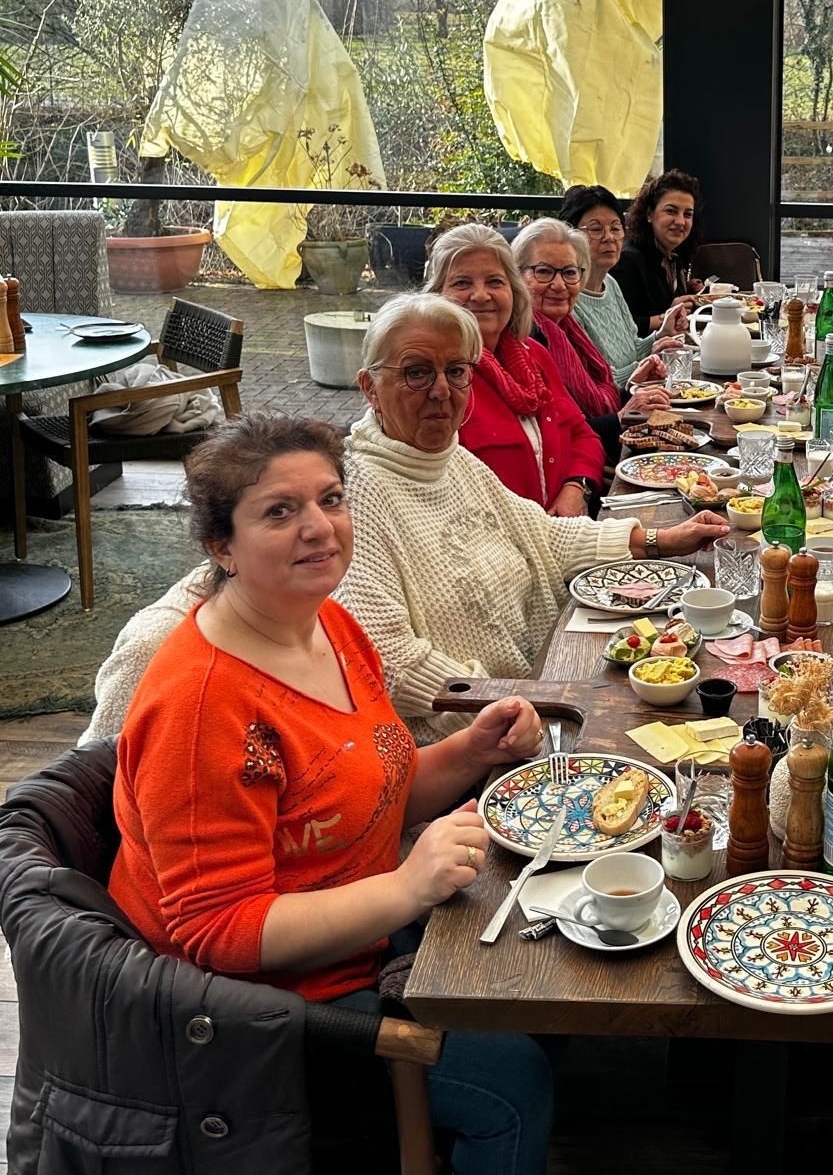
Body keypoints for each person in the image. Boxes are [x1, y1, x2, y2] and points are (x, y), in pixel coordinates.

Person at [108, 415, 557, 1175]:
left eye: (331, 499)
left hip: (358, 935)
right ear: (221, 546)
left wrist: (472, 750)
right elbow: (218, 932)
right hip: (254, 1014)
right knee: (513, 1083)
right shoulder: (204, 707)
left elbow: (369, 797)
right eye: (280, 511)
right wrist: (407, 887)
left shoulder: (331, 626)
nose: (320, 528)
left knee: (542, 972)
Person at [337, 294, 728, 738]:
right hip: (477, 739)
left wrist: (661, 540)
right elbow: (385, 659)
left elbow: (544, 536)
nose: (441, 390)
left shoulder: (452, 461)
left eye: (457, 371)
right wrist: (512, 715)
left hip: (542, 687)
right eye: (417, 372)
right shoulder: (354, 497)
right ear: (370, 387)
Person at [425, 222, 604, 515]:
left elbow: (583, 435)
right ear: (435, 296)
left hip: (565, 530)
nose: (481, 295)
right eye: (462, 283)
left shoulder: (534, 355)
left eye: (495, 282)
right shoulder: (435, 382)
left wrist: (577, 487)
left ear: (514, 291)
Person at [514, 217, 668, 425]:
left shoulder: (569, 329)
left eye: (569, 272)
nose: (559, 285)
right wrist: (621, 418)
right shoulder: (526, 340)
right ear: (517, 276)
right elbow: (558, 432)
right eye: (543, 271)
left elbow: (596, 405)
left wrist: (632, 387)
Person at [561, 183, 689, 385]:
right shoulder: (566, 298)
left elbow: (633, 347)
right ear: (570, 235)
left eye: (615, 228)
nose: (609, 238)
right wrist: (643, 366)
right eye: (596, 229)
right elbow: (596, 382)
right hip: (618, 400)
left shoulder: (610, 283)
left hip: (637, 391)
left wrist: (660, 336)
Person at [612, 169, 702, 335]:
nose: (680, 221)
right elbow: (621, 326)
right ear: (649, 214)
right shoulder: (628, 260)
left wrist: (689, 292)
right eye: (671, 211)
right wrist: (667, 315)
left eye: (688, 214)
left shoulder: (674, 256)